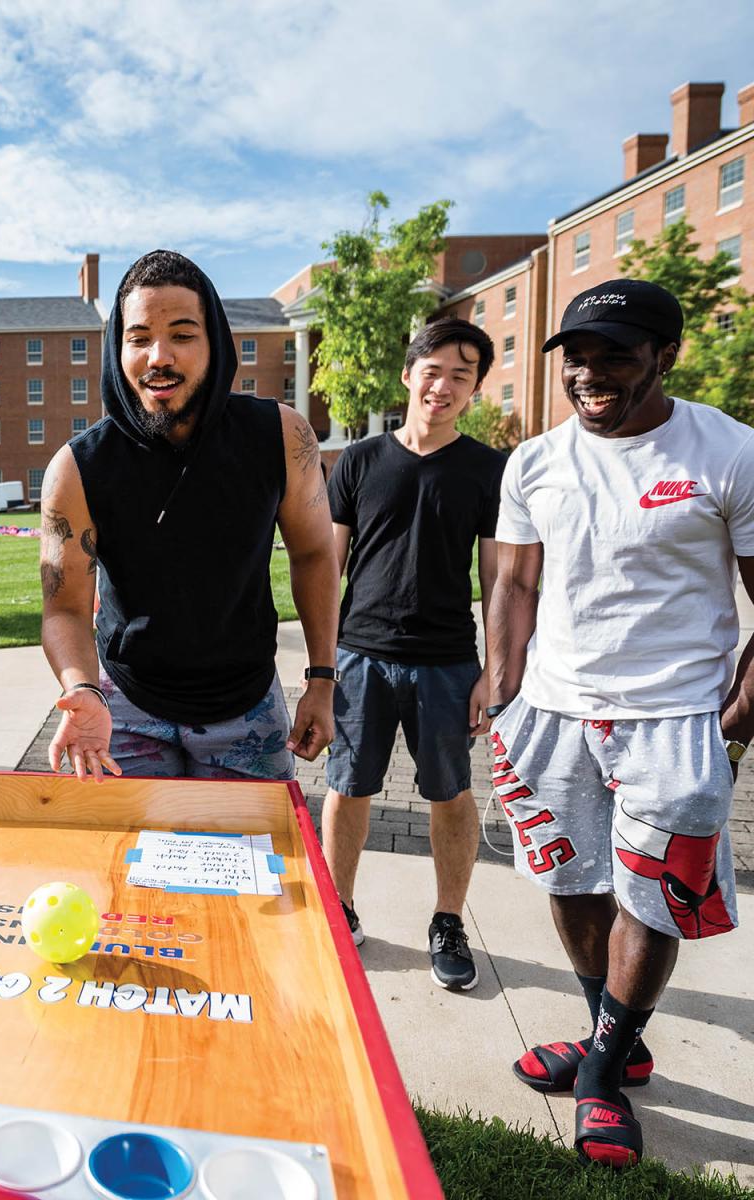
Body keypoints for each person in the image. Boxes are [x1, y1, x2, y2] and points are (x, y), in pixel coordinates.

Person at [486, 279, 754, 1168]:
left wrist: (731, 734)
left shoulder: (729, 452)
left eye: (617, 355)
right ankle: (618, 1032)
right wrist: (501, 693)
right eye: (578, 357)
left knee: (654, 900)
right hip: (554, 710)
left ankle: (601, 1075)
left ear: (665, 355)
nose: (590, 374)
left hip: (676, 718)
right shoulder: (534, 461)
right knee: (570, 881)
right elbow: (516, 586)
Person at [40, 249, 339, 783]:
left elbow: (315, 552)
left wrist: (322, 677)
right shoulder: (77, 468)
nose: (159, 355)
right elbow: (63, 608)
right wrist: (80, 688)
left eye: (182, 334)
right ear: (118, 348)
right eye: (139, 338)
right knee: (125, 867)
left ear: (214, 342)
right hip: (123, 711)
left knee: (256, 866)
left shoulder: (281, 437)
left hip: (247, 706)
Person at [323, 318, 503, 990]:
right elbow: (326, 568)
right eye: (434, 369)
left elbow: (497, 580)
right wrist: (321, 664)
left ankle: (448, 919)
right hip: (361, 656)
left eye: (462, 375)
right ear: (409, 374)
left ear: (474, 390)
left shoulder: (488, 470)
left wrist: (493, 672)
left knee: (451, 794)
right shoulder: (359, 463)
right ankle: (339, 906)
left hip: (448, 661)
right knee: (347, 788)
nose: (444, 385)